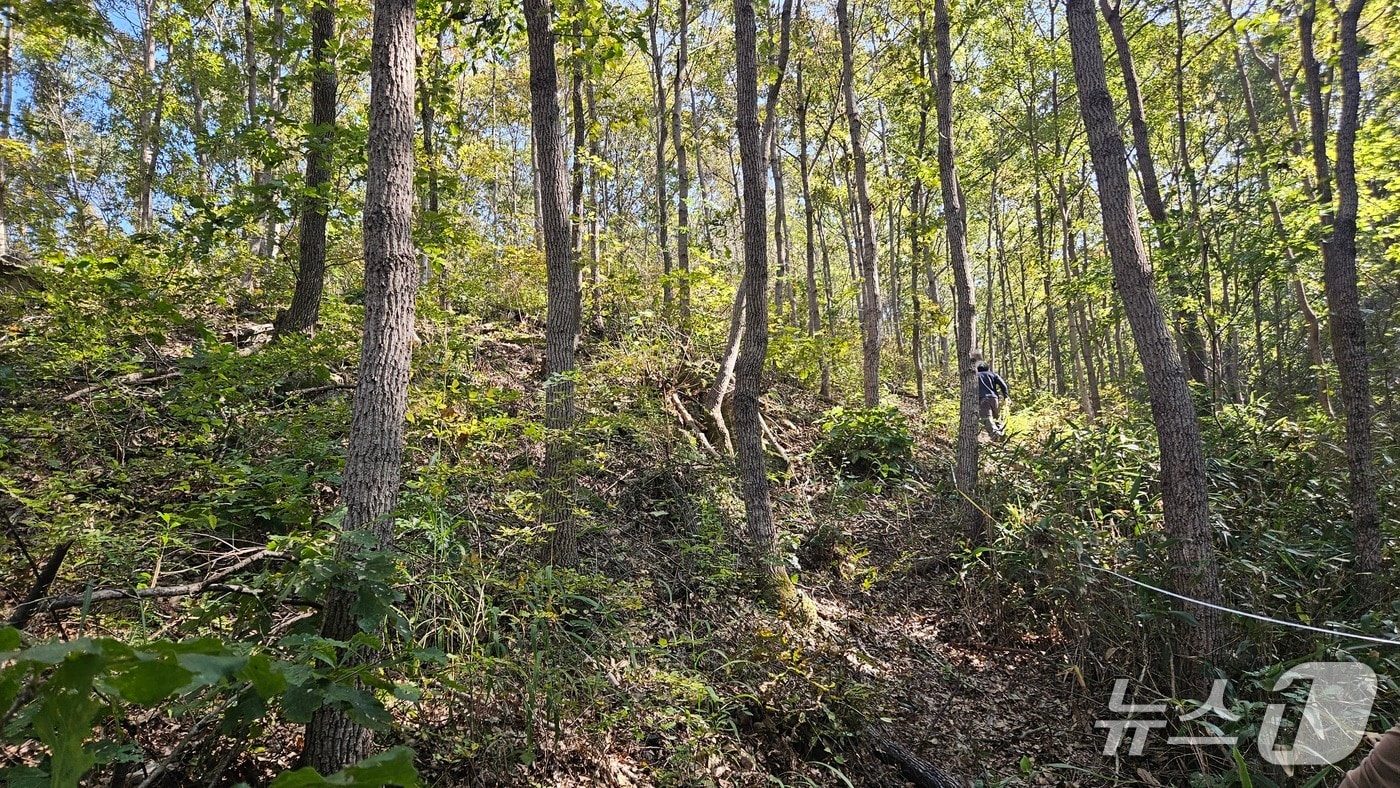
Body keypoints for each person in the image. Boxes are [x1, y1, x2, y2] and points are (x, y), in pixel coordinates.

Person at [976, 362, 1009, 440]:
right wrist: (1006, 396)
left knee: (987, 419)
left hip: (982, 399)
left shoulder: (975, 376)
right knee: (996, 418)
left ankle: (997, 437)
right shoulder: (993, 374)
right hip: (994, 399)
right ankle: (1001, 434)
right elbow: (1003, 384)